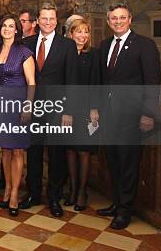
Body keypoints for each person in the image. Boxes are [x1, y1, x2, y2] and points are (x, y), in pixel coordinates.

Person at [96, 2, 160, 230]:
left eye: (122, 17)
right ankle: (117, 202)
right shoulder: (104, 45)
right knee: (113, 161)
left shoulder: (144, 45)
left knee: (128, 163)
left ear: (129, 19)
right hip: (110, 116)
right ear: (108, 21)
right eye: (114, 18)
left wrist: (148, 114)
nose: (118, 21)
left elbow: (152, 83)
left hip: (133, 117)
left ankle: (125, 211)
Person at [21, 2, 78, 217]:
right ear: (37, 21)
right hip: (32, 108)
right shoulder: (26, 43)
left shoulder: (67, 46)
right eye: (43, 18)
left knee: (57, 154)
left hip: (58, 109)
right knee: (33, 153)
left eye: (51, 18)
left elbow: (73, 81)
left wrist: (68, 112)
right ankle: (33, 193)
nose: (47, 22)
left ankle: (54, 197)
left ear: (56, 21)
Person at [0, 14, 35, 216]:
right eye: (4, 25)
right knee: (4, 150)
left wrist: (28, 107)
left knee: (17, 151)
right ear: (0, 29)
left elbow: (31, 81)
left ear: (17, 30)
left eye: (11, 26)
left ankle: (14, 193)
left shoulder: (24, 52)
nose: (7, 28)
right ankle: (6, 187)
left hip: (18, 104)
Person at [64, 18, 100, 211]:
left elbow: (96, 83)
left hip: (88, 109)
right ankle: (72, 189)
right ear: (71, 34)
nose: (82, 35)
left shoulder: (94, 55)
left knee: (84, 151)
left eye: (85, 32)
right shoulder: (66, 53)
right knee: (70, 150)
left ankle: (81, 192)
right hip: (68, 109)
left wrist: (95, 109)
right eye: (78, 31)